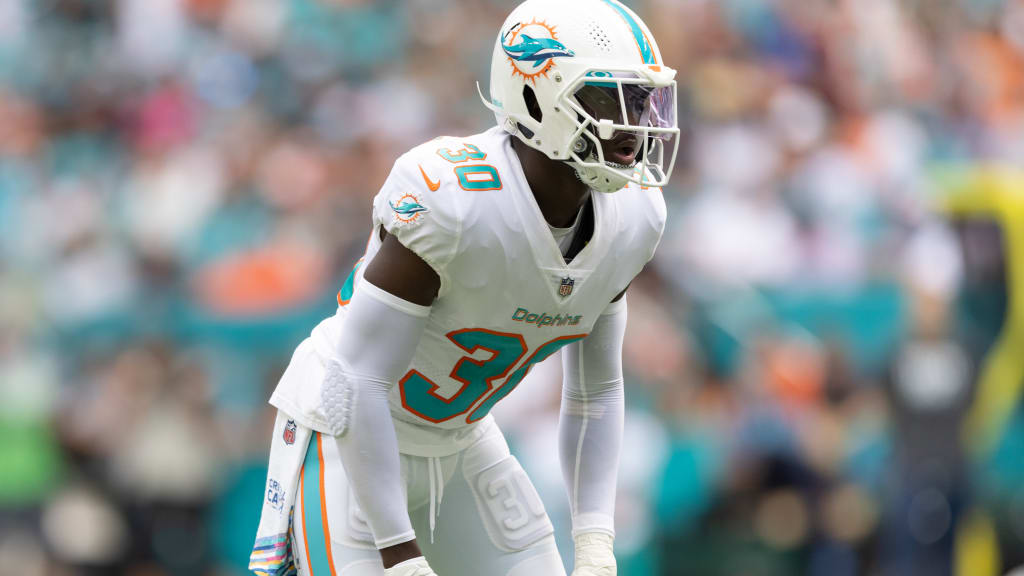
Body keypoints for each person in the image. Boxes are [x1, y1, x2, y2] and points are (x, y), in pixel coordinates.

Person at [249, 1, 679, 575]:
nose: (636, 121)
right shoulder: (455, 199)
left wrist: (596, 540)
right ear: (536, 96)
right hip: (347, 435)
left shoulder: (635, 216)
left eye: (642, 98)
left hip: (459, 439)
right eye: (610, 98)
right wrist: (400, 555)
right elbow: (358, 378)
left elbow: (594, 393)